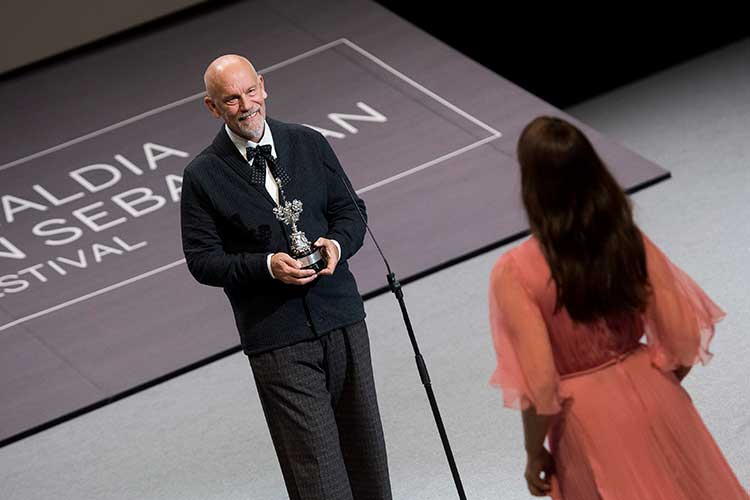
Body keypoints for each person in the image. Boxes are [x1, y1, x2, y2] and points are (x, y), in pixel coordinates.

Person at [488, 116, 748, 499]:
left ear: (532, 185)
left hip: (587, 421)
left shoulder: (514, 272)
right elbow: (682, 336)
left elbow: (540, 384)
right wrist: (653, 387)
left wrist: (533, 454)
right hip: (660, 395)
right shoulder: (625, 238)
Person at [180, 54, 392, 500]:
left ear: (263, 85)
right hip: (278, 339)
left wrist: (336, 245)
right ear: (212, 107)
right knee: (318, 476)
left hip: (342, 319)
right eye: (231, 99)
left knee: (368, 460)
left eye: (250, 92)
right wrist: (266, 265)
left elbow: (350, 211)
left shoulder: (308, 142)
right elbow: (202, 260)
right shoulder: (202, 175)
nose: (246, 105)